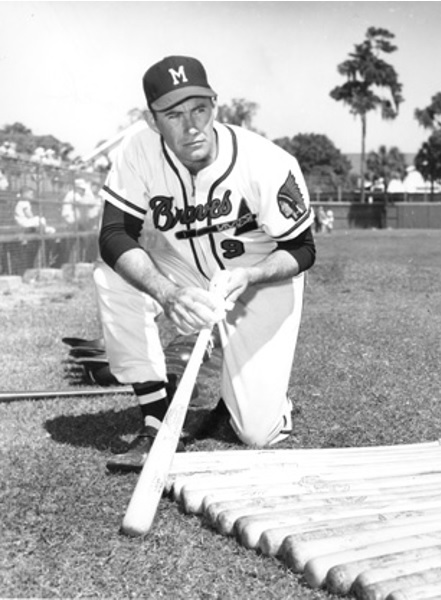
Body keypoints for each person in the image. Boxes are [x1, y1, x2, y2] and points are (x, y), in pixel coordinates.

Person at [93, 55, 316, 472]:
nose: (191, 124)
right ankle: (156, 414)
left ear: (215, 105)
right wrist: (166, 292)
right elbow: (112, 235)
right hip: (181, 270)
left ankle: (257, 400)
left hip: (258, 278)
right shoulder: (138, 150)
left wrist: (251, 275)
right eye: (174, 114)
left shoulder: (266, 161)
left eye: (199, 108)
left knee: (256, 433)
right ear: (151, 119)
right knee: (113, 270)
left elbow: (303, 248)